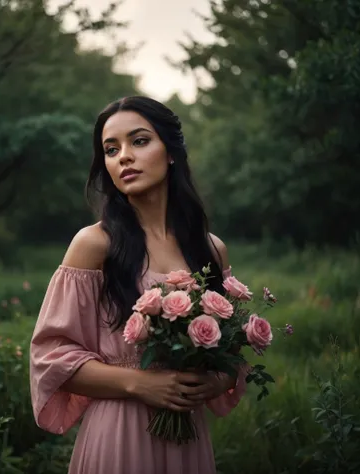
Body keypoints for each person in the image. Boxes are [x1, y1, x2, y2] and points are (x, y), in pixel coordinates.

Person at [29, 96, 247, 474]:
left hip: (187, 438)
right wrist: (139, 384)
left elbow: (231, 357)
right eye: (111, 150)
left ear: (172, 152)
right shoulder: (94, 245)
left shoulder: (211, 249)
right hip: (118, 434)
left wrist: (214, 380)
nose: (123, 157)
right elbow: (50, 358)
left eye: (139, 141)